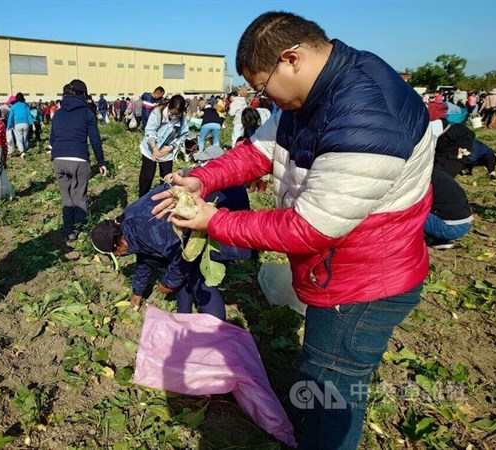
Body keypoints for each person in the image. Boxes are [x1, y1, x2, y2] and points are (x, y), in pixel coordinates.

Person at [151, 12, 434, 450]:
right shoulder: (312, 96)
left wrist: (215, 221)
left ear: (291, 59)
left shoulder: (368, 114)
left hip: (364, 282)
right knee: (321, 373)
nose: (264, 99)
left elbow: (310, 226)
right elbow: (257, 153)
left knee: (332, 387)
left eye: (263, 88)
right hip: (338, 269)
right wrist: (202, 179)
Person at [91, 183, 253, 320]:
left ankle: (216, 330)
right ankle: (183, 317)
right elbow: (145, 257)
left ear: (117, 245)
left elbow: (183, 260)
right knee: (183, 274)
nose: (118, 256)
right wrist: (138, 291)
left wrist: (167, 283)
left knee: (200, 278)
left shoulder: (152, 234)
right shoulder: (129, 222)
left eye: (115, 254)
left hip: (223, 205)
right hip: (214, 194)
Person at [50, 79, 108, 241]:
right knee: (79, 196)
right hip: (79, 159)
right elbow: (95, 140)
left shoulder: (58, 113)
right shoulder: (87, 113)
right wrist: (101, 162)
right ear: (83, 95)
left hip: (58, 158)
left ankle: (69, 230)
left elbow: (52, 140)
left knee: (66, 195)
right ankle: (79, 228)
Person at [138, 95, 188, 198]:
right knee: (147, 176)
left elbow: (183, 135)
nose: (174, 116)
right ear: (169, 106)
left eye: (177, 115)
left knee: (167, 177)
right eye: (172, 113)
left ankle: (164, 198)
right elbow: (150, 131)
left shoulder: (183, 118)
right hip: (150, 148)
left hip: (167, 150)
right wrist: (154, 148)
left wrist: (171, 147)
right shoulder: (158, 112)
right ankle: (142, 198)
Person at [425, 166, 472, 250]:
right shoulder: (439, 173)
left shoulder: (425, 177)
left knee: (408, 212)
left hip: (448, 226)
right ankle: (439, 240)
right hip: (465, 224)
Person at [6, 92, 34, 158]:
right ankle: (25, 148)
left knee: (19, 139)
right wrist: (32, 124)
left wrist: (8, 126)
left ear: (16, 98)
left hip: (17, 124)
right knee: (25, 138)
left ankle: (22, 151)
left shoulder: (13, 106)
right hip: (26, 124)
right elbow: (29, 115)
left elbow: (10, 117)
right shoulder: (26, 106)